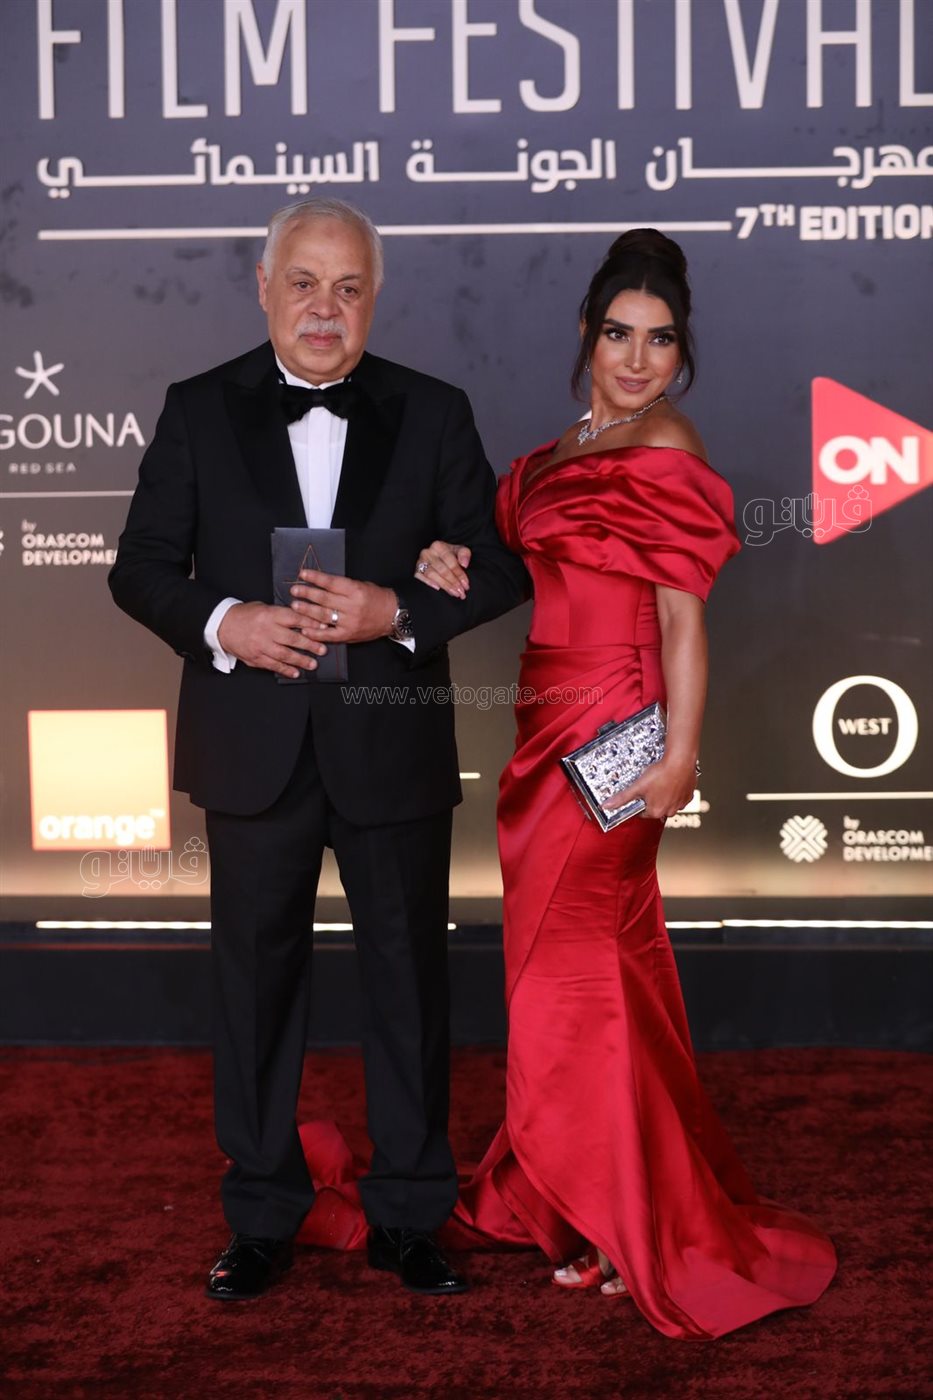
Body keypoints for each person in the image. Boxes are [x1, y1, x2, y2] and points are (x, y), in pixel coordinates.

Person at [402, 229, 837, 1338]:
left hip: (618, 728)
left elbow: (684, 622)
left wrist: (679, 754)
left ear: (682, 353)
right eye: (618, 334)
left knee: (580, 975)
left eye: (661, 340)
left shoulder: (667, 442)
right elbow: (516, 560)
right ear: (587, 336)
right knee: (593, 971)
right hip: (542, 724)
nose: (638, 359)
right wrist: (448, 557)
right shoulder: (562, 448)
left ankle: (611, 1217)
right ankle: (587, 1187)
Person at [109, 197, 528, 1300]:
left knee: (409, 983)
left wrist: (397, 609)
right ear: (264, 287)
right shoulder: (198, 409)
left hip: (391, 747)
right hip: (252, 749)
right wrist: (227, 624)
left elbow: (499, 566)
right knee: (254, 989)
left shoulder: (433, 411)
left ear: (374, 296)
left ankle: (410, 1214)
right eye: (303, 282)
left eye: (348, 287)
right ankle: (260, 1214)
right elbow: (139, 566)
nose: (324, 308)